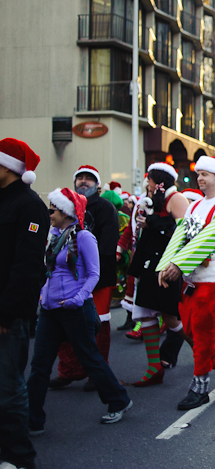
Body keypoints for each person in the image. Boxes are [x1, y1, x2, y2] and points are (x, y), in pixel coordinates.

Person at [28, 188, 133, 435]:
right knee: (39, 365)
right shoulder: (52, 236)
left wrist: (76, 299)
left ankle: (118, 400)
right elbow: (48, 271)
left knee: (89, 359)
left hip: (75, 309)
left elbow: (94, 274)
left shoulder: (84, 237)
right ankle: (32, 420)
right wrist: (43, 294)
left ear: (66, 212)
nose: (49, 213)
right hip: (50, 310)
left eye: (52, 209)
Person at [156, 154, 215, 411]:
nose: (199, 178)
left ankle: (200, 387)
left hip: (214, 278)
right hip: (191, 279)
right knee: (190, 329)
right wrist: (165, 264)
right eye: (198, 174)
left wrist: (178, 265)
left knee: (202, 333)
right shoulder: (195, 205)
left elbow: (210, 237)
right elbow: (181, 235)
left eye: (205, 174)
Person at [50, 165, 120, 391]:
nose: (83, 181)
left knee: (97, 324)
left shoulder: (106, 208)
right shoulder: (66, 208)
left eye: (88, 178)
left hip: (98, 276)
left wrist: (88, 270)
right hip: (68, 277)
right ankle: (70, 370)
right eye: (79, 178)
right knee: (65, 322)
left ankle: (96, 373)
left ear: (97, 185)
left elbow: (108, 246)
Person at [0, 138, 47, 469]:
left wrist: (7, 312)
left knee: (8, 386)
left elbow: (28, 266)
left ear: (8, 167)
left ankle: (19, 456)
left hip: (8, 314)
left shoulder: (30, 205)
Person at [124, 163, 191, 386]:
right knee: (146, 314)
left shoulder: (176, 198)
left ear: (160, 181)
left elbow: (186, 231)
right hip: (149, 264)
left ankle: (208, 352)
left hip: (166, 266)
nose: (148, 184)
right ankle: (154, 368)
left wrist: (152, 222)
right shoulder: (153, 199)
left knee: (171, 317)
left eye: (150, 180)